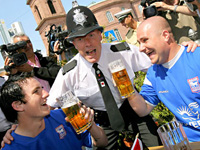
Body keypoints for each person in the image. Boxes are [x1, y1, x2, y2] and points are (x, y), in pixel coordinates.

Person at [47, 4, 163, 150]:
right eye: (80, 39)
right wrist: (19, 128)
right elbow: (49, 106)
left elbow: (159, 61)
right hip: (102, 123)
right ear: (73, 43)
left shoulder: (121, 51)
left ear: (100, 34)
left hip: (133, 108)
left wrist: (183, 49)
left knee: (157, 146)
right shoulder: (68, 73)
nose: (88, 43)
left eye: (91, 35)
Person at [128, 16, 200, 142]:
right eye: (139, 43)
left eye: (145, 40)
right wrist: (126, 87)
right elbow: (143, 109)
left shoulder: (195, 56)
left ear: (165, 36)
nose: (140, 48)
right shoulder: (153, 74)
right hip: (188, 143)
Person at [0, 72, 108, 150]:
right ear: (18, 105)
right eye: (36, 92)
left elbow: (102, 142)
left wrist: (91, 125)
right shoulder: (12, 146)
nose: (46, 94)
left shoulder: (63, 116)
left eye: (42, 88)